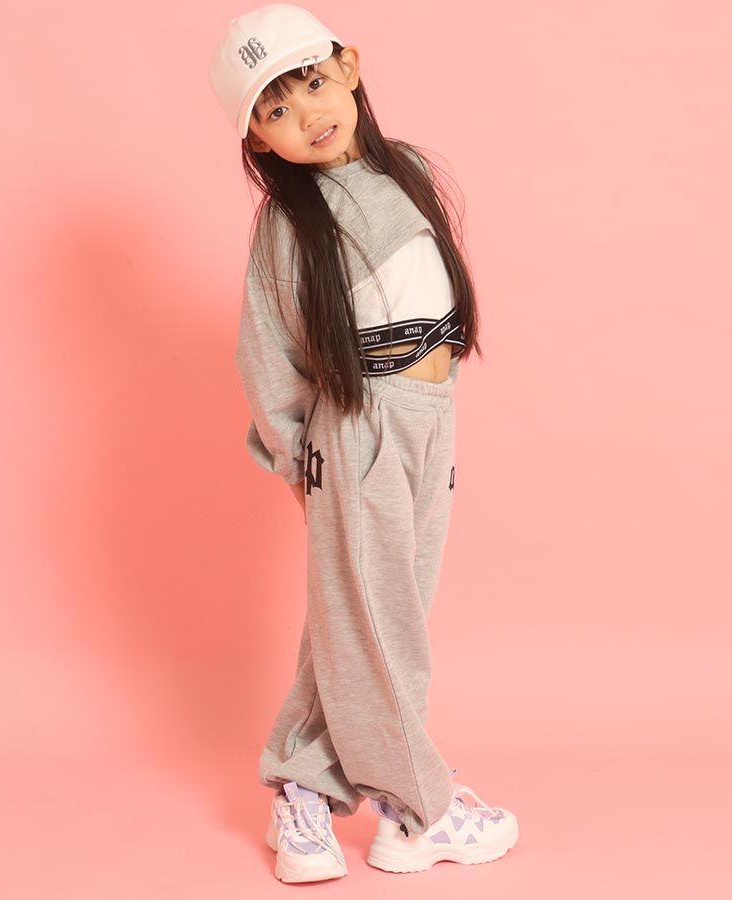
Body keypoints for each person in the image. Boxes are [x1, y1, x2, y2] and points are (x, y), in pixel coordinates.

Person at [209, 3, 519, 883]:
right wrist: (299, 457)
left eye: (312, 83)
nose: (307, 113)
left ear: (348, 66)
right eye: (276, 108)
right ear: (258, 139)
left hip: (429, 417)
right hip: (358, 427)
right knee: (379, 626)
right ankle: (417, 810)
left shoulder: (407, 172)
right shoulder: (288, 224)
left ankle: (303, 786)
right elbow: (266, 350)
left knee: (372, 616)